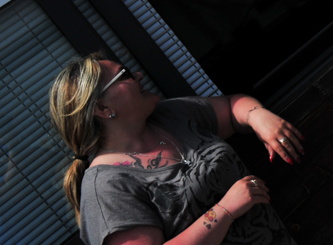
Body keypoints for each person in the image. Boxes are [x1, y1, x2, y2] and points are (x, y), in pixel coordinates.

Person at [49, 54, 304, 245]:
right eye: (124, 75)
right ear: (103, 109)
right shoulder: (107, 187)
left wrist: (257, 116)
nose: (138, 75)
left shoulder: (170, 116)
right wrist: (225, 210)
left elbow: (231, 105)